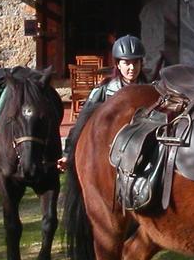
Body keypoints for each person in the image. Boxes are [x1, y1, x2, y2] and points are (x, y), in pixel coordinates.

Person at [57, 34, 149, 172]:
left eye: (136, 63)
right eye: (126, 63)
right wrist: (67, 155)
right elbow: (81, 122)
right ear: (118, 64)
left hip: (143, 150)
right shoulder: (104, 90)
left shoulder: (149, 91)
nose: (131, 68)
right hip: (108, 151)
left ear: (141, 64)